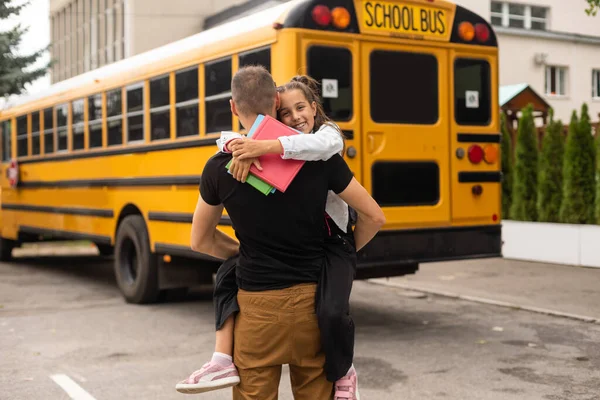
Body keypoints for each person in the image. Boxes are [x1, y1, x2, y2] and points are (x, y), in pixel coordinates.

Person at [178, 65, 385, 400]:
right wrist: (341, 256)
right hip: (313, 305)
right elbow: (373, 216)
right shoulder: (320, 157)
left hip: (256, 310)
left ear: (233, 107)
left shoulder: (220, 167)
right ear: (277, 101)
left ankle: (219, 359)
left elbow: (200, 240)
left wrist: (242, 254)